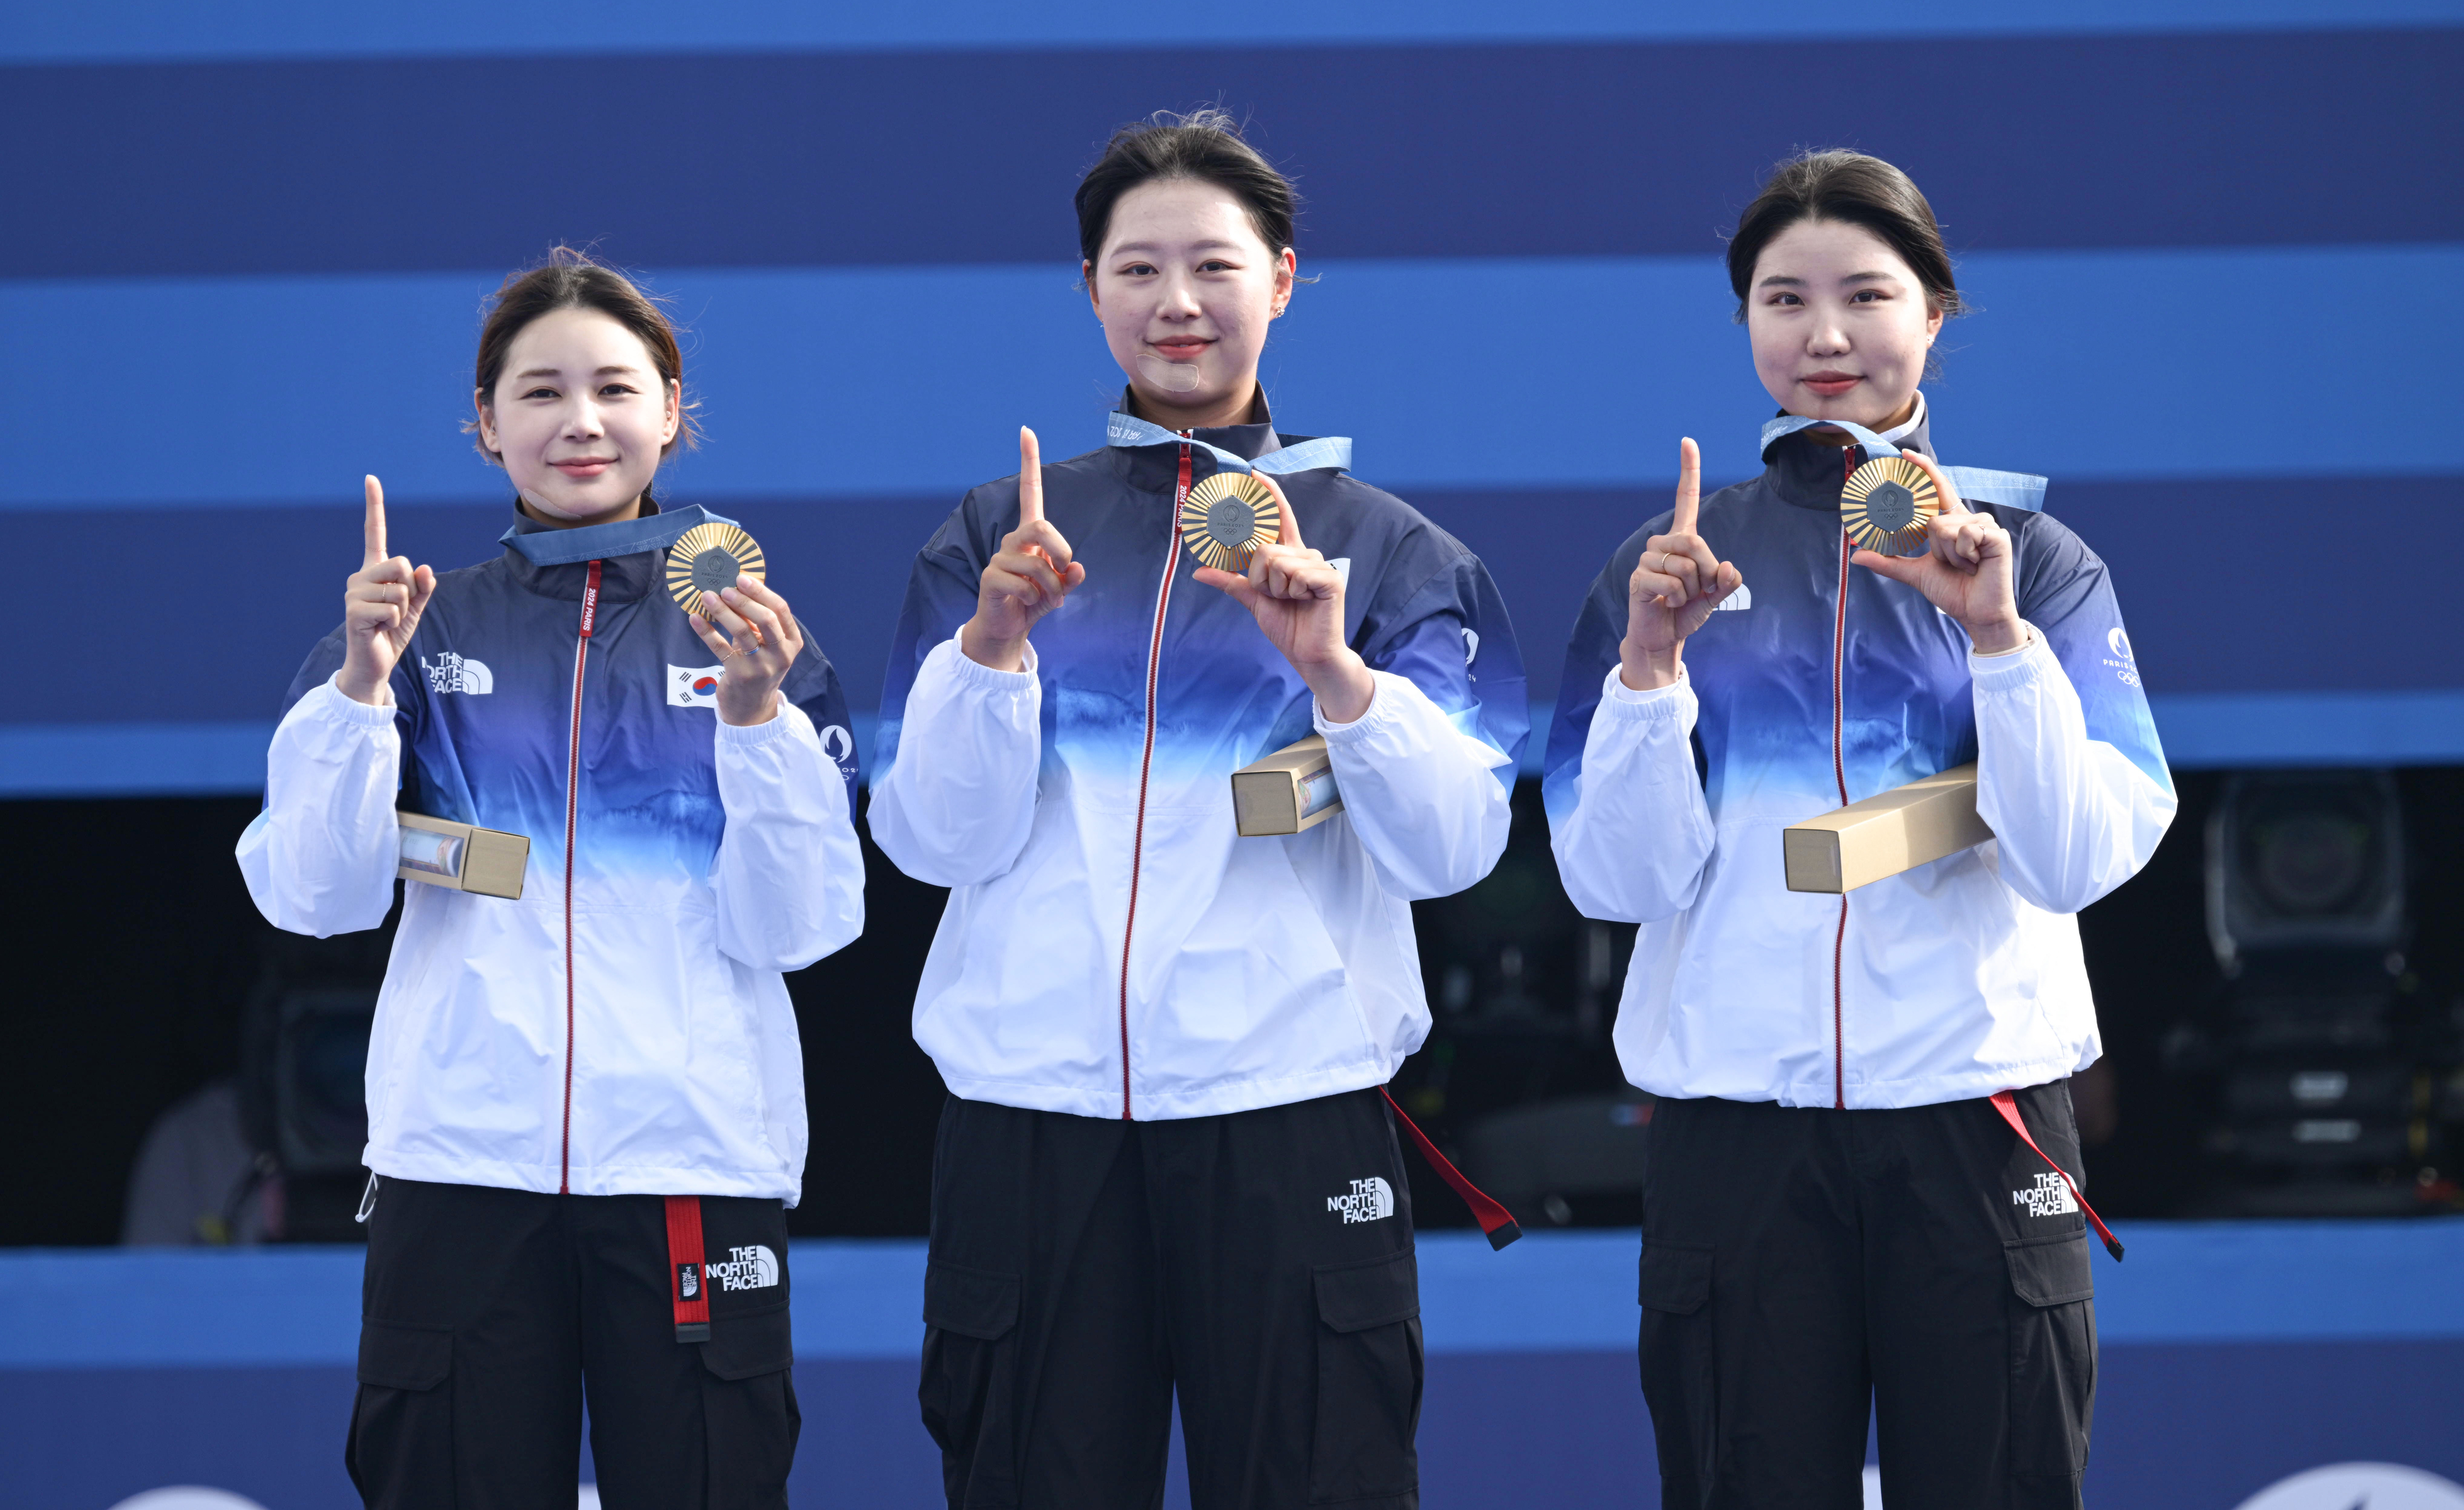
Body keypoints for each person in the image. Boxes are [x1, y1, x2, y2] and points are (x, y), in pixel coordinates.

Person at [869, 112, 1530, 1509]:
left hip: (1285, 1116)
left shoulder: (1388, 548)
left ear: (1281, 279)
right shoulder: (999, 535)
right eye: (1136, 268)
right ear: (1089, 292)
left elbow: (1455, 846)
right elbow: (931, 840)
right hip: (1030, 1122)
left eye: (1213, 266)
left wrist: (1336, 677)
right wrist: (990, 648)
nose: (1176, 303)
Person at [1543, 150, 2174, 1510]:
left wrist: (1996, 639)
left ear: (1934, 310)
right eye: (1782, 298)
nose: (1823, 335)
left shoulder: (2037, 560)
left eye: (1864, 295)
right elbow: (1611, 878)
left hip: (1976, 1117)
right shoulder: (1665, 565)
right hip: (1734, 1135)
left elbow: (2075, 855)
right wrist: (1649, 666)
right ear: (1743, 325)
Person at [235, 252, 866, 1509]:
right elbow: (314, 894)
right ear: (484, 422)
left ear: (671, 407)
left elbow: (804, 925)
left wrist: (753, 723)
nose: (579, 420)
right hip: (463, 1168)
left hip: (691, 1164)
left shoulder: (750, 637)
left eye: (613, 386)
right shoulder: (416, 628)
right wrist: (360, 686)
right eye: (538, 392)